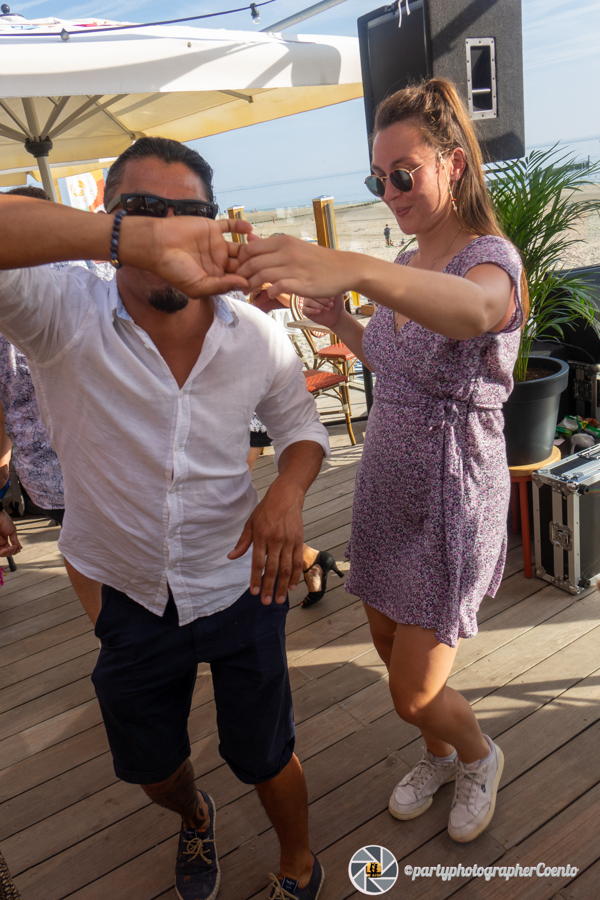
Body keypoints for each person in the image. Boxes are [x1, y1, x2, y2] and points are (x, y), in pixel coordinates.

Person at [0, 136, 329, 900]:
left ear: (216, 223)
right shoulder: (61, 312)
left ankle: (300, 863)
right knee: (150, 767)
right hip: (130, 595)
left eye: (188, 214)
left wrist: (287, 491)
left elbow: (302, 429)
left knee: (266, 753)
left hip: (242, 583)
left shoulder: (255, 335)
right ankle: (194, 814)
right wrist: (137, 240)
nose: (169, 230)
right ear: (110, 221)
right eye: (145, 211)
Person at [236, 77, 526, 844]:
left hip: (449, 495)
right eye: (378, 180)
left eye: (404, 174)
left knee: (413, 690)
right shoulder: (406, 255)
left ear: (453, 164)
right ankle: (440, 754)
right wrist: (342, 320)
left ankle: (479, 754)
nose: (391, 193)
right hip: (386, 489)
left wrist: (356, 270)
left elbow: (478, 313)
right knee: (386, 642)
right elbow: (398, 364)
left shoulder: (489, 260)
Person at [247, 283, 343, 608]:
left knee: (230, 487)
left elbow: (300, 308)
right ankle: (309, 559)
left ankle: (308, 558)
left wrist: (289, 492)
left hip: (260, 382)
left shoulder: (254, 319)